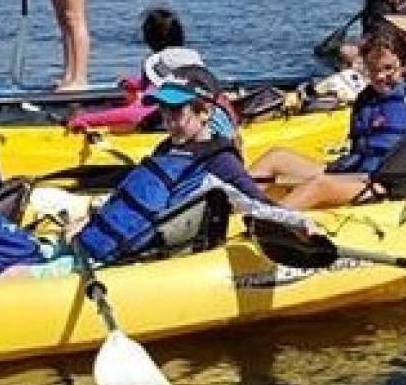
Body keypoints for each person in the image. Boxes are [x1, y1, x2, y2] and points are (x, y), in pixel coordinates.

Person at [251, 28, 406, 211]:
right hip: (354, 173)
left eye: (388, 68)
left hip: (384, 185)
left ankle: (264, 222)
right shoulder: (365, 98)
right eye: (373, 69)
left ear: (404, 66)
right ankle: (233, 208)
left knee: (319, 184)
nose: (380, 77)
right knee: (276, 157)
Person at [72, 65, 266, 264]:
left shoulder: (221, 161)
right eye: (163, 109)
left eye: (175, 111)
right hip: (114, 248)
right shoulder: (167, 148)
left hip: (139, 257)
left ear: (204, 112)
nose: (167, 121)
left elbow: (260, 205)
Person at [335, 0, 406, 69]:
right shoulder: (377, 10)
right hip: (377, 47)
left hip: (398, 51)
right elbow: (371, 33)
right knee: (345, 51)